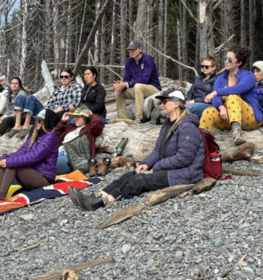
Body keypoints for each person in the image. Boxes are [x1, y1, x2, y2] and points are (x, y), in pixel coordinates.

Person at [68, 90, 204, 211]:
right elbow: (158, 150)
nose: (161, 105)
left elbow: (184, 158)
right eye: (161, 102)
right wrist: (146, 163)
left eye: (164, 101)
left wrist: (156, 167)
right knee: (129, 175)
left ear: (176, 104)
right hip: (170, 168)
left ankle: (103, 202)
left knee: (140, 180)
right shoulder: (168, 124)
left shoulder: (187, 127)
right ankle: (99, 195)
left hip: (186, 174)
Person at [199, 45, 263, 146]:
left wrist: (216, 92)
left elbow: (239, 88)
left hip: (250, 117)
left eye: (230, 59)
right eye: (225, 58)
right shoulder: (221, 78)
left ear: (239, 63)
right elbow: (216, 99)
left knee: (233, 96)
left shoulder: (248, 76)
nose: (226, 61)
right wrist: (221, 107)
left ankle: (236, 133)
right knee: (208, 111)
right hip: (228, 116)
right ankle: (202, 141)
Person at [0, 109, 61, 200]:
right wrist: (5, 158)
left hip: (44, 178)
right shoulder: (37, 135)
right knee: (7, 162)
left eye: (39, 121)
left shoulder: (50, 137)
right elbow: (22, 150)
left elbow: (34, 156)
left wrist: (9, 161)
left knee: (12, 164)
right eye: (36, 120)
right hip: (33, 174)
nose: (36, 123)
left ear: (47, 122)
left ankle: (0, 196)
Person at [114, 39, 161, 123]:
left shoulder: (148, 59)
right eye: (130, 50)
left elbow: (145, 79)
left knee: (138, 86)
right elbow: (127, 79)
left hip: (154, 89)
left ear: (140, 49)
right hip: (139, 90)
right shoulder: (129, 62)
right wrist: (121, 85)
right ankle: (122, 119)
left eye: (134, 49)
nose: (131, 52)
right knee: (118, 91)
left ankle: (138, 118)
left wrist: (127, 84)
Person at [54, 107, 105, 174]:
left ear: (85, 118)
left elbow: (98, 122)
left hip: (72, 158)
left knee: (53, 164)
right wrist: (63, 121)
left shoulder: (89, 129)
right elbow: (56, 136)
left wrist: (89, 114)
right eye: (75, 116)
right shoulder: (72, 127)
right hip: (60, 151)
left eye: (79, 117)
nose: (75, 118)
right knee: (43, 162)